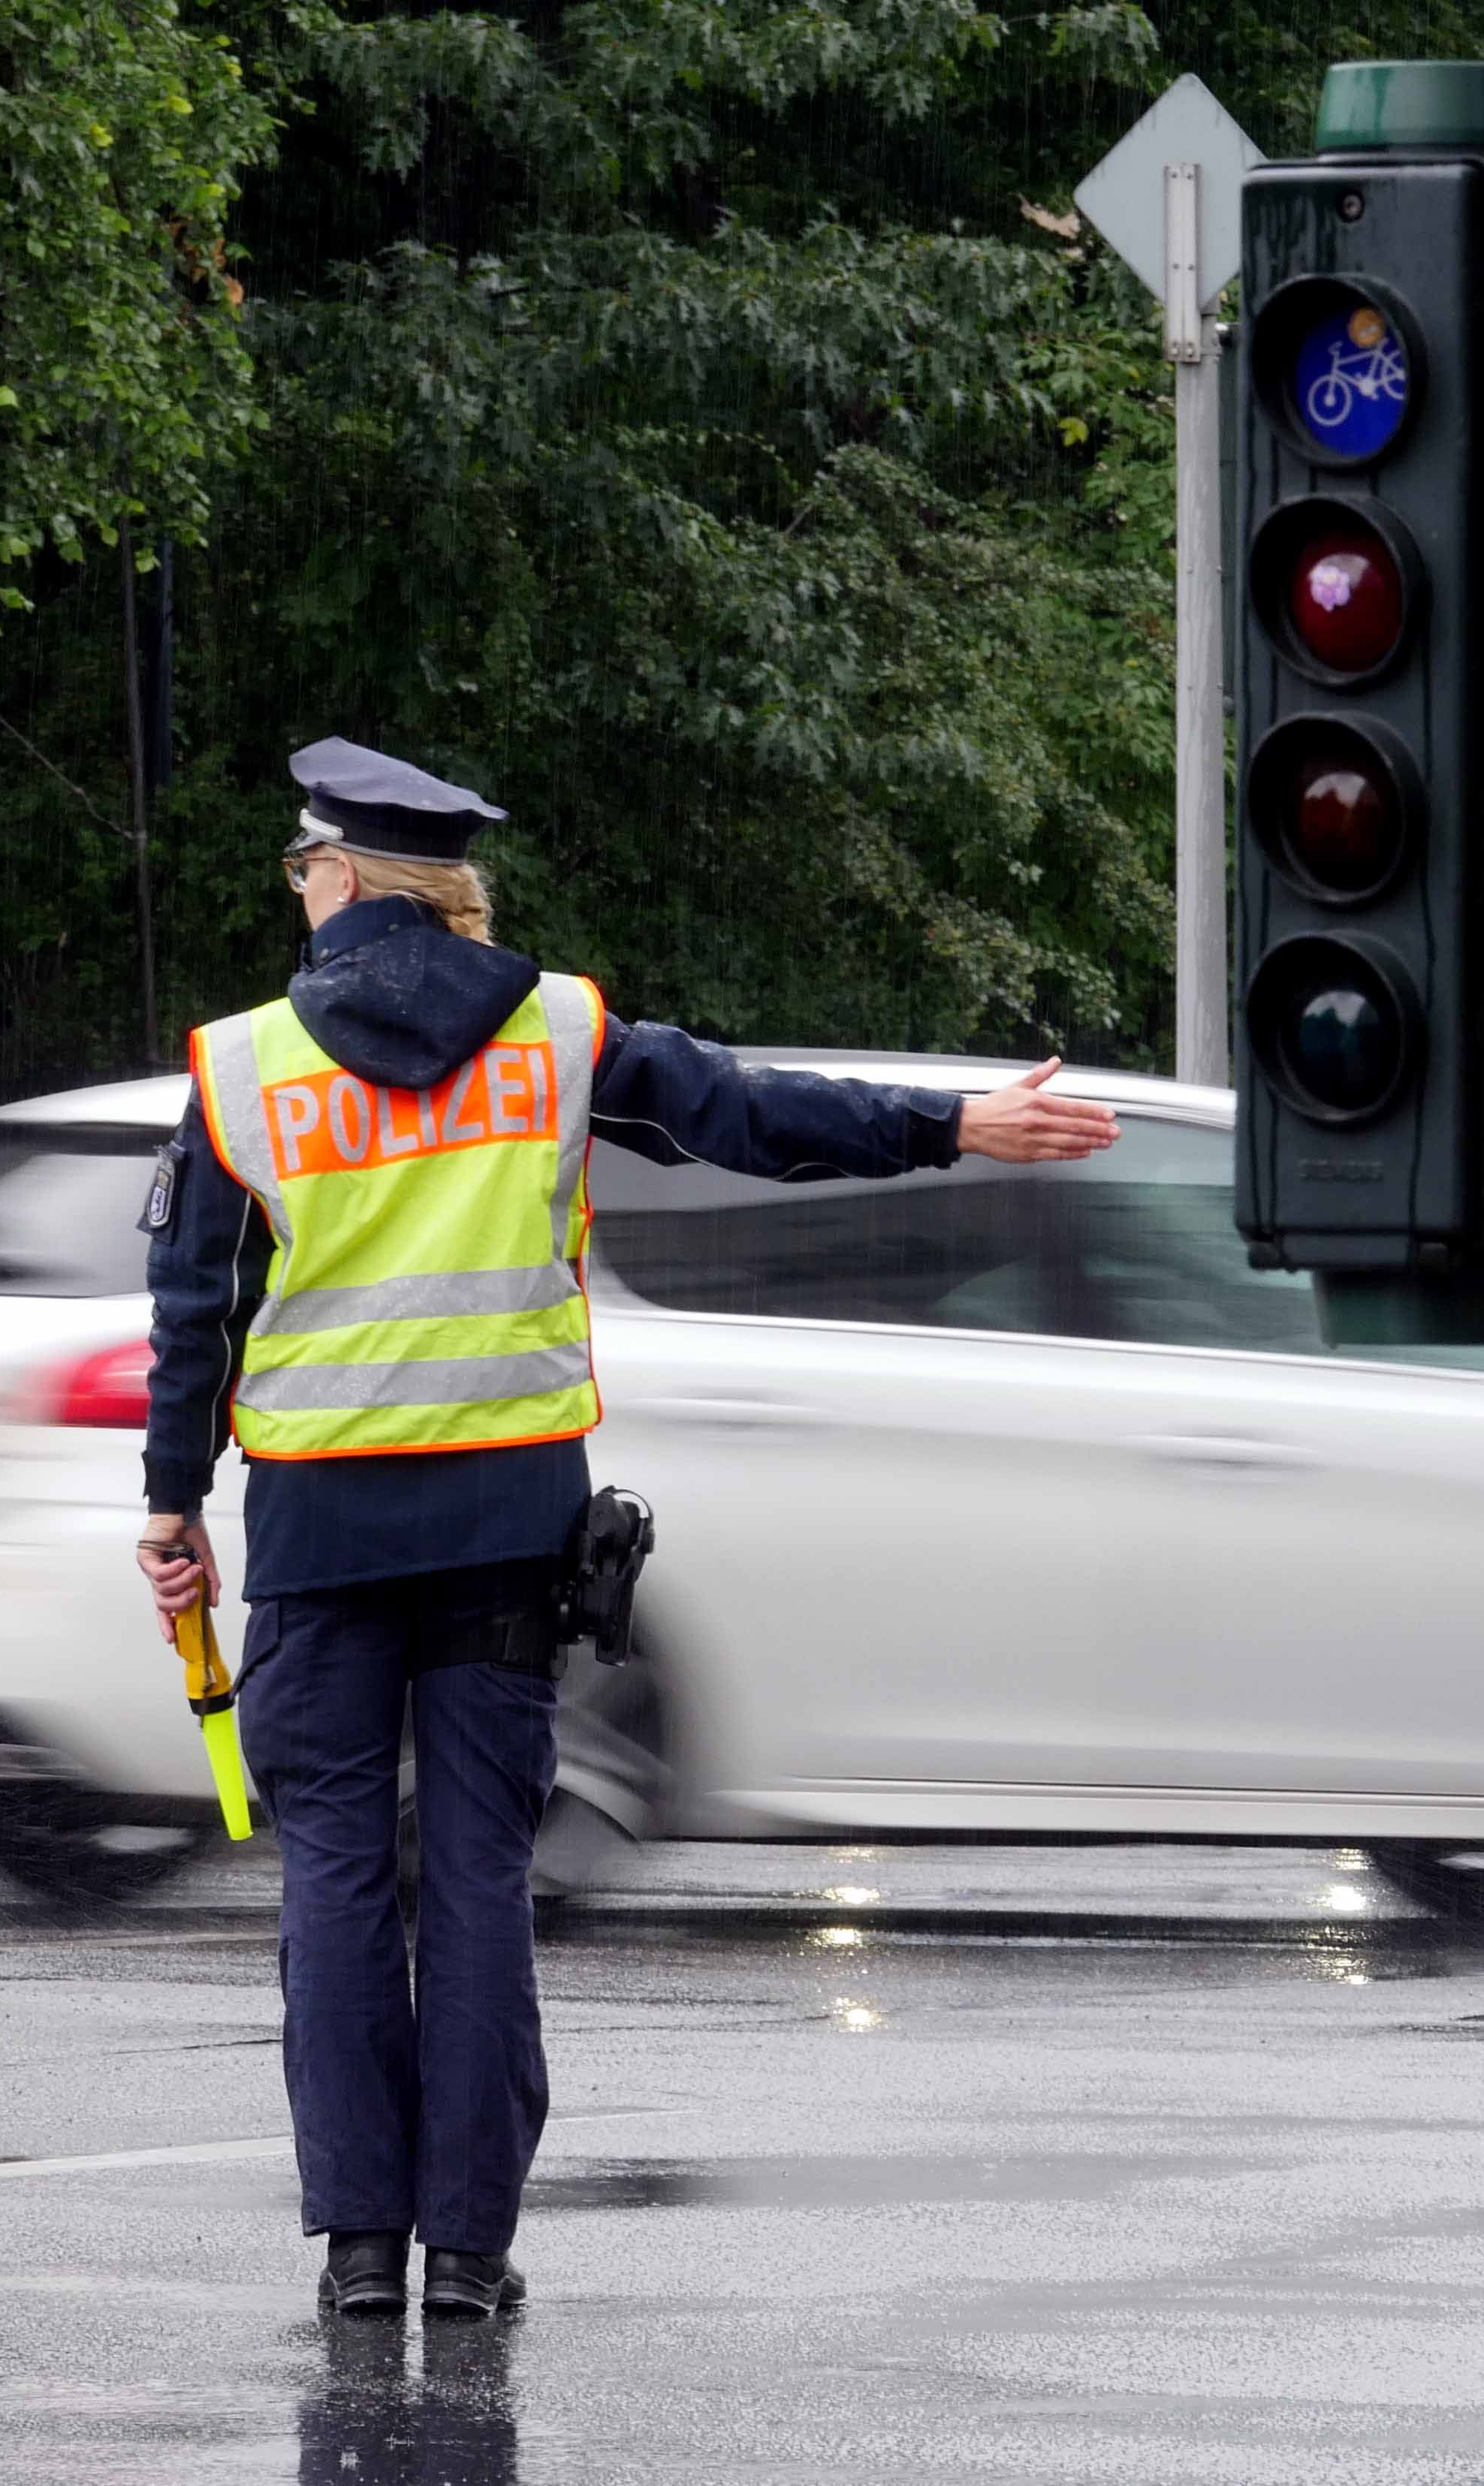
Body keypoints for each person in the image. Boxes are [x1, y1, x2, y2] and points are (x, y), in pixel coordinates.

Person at [135, 740, 1118, 2324]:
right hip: (504, 1524)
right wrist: (949, 1125)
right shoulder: (560, 1028)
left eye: (300, 867)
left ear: (338, 875)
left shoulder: (245, 1064)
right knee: (470, 1883)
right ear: (449, 889)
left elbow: (193, 1305)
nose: (296, 891)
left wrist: (168, 1499)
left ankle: (357, 2251)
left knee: (331, 1880)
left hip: (318, 1531)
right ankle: (465, 2248)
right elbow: (749, 1112)